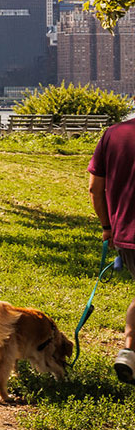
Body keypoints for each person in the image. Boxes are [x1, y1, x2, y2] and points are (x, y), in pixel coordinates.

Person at [87, 116, 135, 383]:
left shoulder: (113, 134)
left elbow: (95, 188)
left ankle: (129, 351)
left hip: (125, 231)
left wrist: (107, 226)